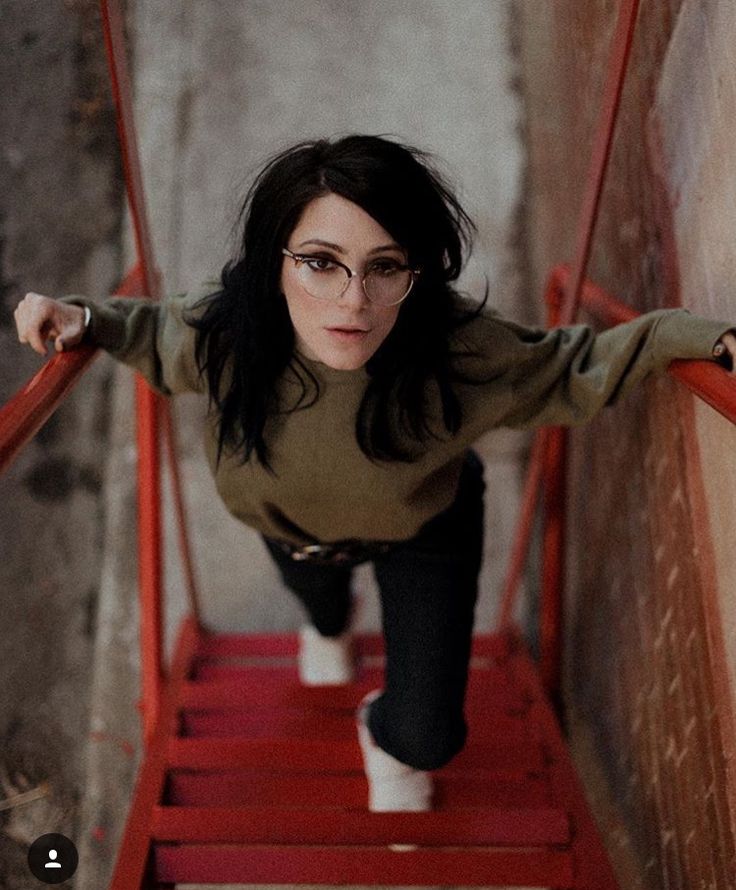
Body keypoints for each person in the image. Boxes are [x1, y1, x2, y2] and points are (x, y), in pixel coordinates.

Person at [14, 134, 736, 812]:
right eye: (321, 261)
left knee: (429, 738)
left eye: (385, 266)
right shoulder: (229, 332)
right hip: (288, 531)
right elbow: (142, 328)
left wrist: (693, 336)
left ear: (415, 272)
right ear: (276, 259)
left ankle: (380, 723)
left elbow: (571, 366)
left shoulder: (458, 351)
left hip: (426, 529)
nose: (353, 301)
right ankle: (331, 624)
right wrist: (79, 319)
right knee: (323, 612)